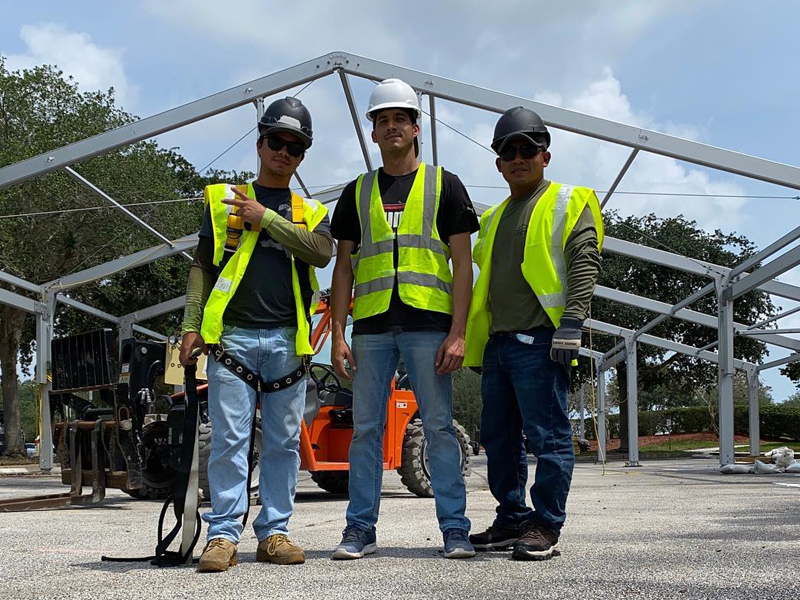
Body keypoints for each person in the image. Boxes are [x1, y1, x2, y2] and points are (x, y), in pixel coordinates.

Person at [179, 97, 333, 572]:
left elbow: (321, 253)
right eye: (276, 141)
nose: (284, 151)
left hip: (288, 340)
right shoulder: (222, 200)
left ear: (302, 155)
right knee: (229, 440)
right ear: (260, 142)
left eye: (295, 146)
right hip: (234, 341)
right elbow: (202, 268)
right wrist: (189, 325)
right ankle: (223, 536)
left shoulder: (310, 212)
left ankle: (275, 534)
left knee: (285, 442)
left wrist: (264, 217)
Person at [328, 78, 479, 559]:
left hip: (428, 326)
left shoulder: (445, 186)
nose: (391, 127)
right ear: (373, 133)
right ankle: (359, 530)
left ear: (416, 127)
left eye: (400, 119)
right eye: (382, 120)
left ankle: (455, 529)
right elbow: (343, 269)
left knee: (437, 426)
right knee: (367, 430)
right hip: (370, 327)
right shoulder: (358, 192)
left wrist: (459, 333)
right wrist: (337, 335)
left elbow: (462, 266)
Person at [464, 106, 604, 561]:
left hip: (542, 341)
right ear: (498, 163)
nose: (519, 157)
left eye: (529, 149)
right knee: (499, 439)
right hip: (500, 345)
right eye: (509, 150)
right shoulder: (493, 217)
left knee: (549, 438)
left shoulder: (567, 199)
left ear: (546, 156)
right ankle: (511, 518)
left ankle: (545, 524)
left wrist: (572, 322)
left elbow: (584, 259)